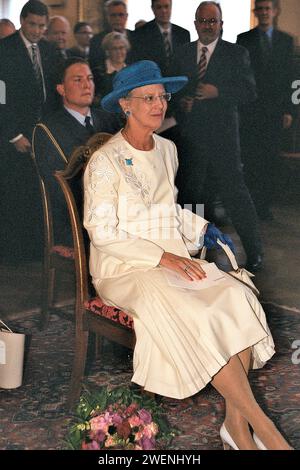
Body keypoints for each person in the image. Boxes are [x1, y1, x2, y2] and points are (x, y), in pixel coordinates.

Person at [83, 60, 292, 450]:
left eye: (162, 97)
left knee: (236, 298)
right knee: (197, 315)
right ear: (125, 105)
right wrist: (162, 259)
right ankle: (264, 431)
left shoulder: (167, 149)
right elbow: (102, 231)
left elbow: (169, 209)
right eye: (148, 98)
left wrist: (200, 228)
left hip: (171, 255)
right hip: (123, 268)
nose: (159, 105)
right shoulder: (105, 162)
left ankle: (235, 425)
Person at [171, 1, 263, 272]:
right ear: (195, 23)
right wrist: (182, 102)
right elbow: (173, 91)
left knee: (236, 194)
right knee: (191, 194)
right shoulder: (182, 53)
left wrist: (218, 92)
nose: (208, 26)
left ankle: (255, 251)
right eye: (203, 20)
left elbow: (249, 93)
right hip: (190, 137)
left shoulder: (236, 54)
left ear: (221, 25)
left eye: (213, 21)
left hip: (224, 138)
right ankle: (191, 248)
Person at [33, 57, 121, 245]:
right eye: (78, 80)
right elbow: (58, 190)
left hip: (119, 209)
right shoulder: (47, 129)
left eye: (89, 78)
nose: (86, 85)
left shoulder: (109, 120)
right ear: (61, 89)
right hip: (76, 219)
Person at [0, 0, 60, 263]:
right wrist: (13, 134)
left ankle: (38, 250)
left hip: (43, 134)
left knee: (40, 194)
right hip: (14, 136)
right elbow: (0, 99)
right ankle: (15, 253)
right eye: (32, 24)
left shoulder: (49, 50)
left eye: (41, 26)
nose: (37, 30)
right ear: (22, 21)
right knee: (16, 192)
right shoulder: (4, 50)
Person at [237, 0, 294, 221]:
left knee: (270, 159)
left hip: (275, 112)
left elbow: (290, 78)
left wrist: (288, 110)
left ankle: (264, 206)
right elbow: (241, 76)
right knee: (251, 158)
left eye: (267, 9)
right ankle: (250, 206)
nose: (263, 13)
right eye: (259, 9)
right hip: (251, 111)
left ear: (275, 11)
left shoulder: (285, 41)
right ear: (256, 12)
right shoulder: (244, 39)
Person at [131, 0, 190, 75]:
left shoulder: (183, 34)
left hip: (178, 82)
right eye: (159, 7)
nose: (163, 11)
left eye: (166, 6)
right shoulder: (141, 33)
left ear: (171, 7)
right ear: (153, 9)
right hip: (153, 81)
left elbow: (185, 63)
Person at [89, 0, 134, 72]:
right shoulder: (96, 40)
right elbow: (94, 66)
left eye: (120, 15)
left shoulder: (137, 37)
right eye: (113, 15)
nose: (117, 18)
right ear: (107, 17)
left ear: (126, 16)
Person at [93, 32, 130, 102]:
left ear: (126, 50)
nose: (118, 52)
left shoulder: (133, 72)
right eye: (114, 49)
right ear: (107, 51)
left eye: (121, 48)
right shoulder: (97, 73)